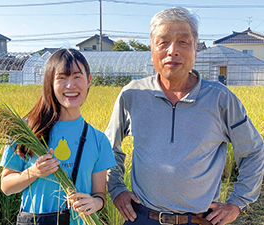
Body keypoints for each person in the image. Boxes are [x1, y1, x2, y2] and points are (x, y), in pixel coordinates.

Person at [105, 7, 264, 225]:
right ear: (152, 50)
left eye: (183, 42)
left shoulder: (220, 99)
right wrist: (116, 189)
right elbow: (107, 148)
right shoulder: (133, 95)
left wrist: (237, 202)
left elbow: (254, 151)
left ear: (195, 50)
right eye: (163, 42)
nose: (173, 51)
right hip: (143, 218)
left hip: (198, 220)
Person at [0, 48, 117, 225]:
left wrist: (95, 202)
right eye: (62, 78)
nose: (70, 85)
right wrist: (34, 172)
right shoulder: (27, 130)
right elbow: (6, 186)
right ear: (50, 83)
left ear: (89, 81)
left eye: (77, 77)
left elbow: (99, 195)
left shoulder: (98, 140)